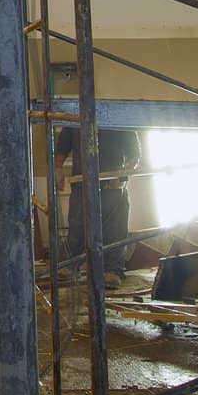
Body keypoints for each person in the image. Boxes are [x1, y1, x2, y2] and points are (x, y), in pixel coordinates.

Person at [53, 123, 141, 288]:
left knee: (114, 231)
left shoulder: (118, 121)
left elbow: (134, 157)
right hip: (82, 186)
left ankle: (112, 271)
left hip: (113, 188)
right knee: (77, 228)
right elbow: (61, 149)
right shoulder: (75, 121)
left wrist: (121, 175)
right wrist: (57, 170)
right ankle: (69, 266)